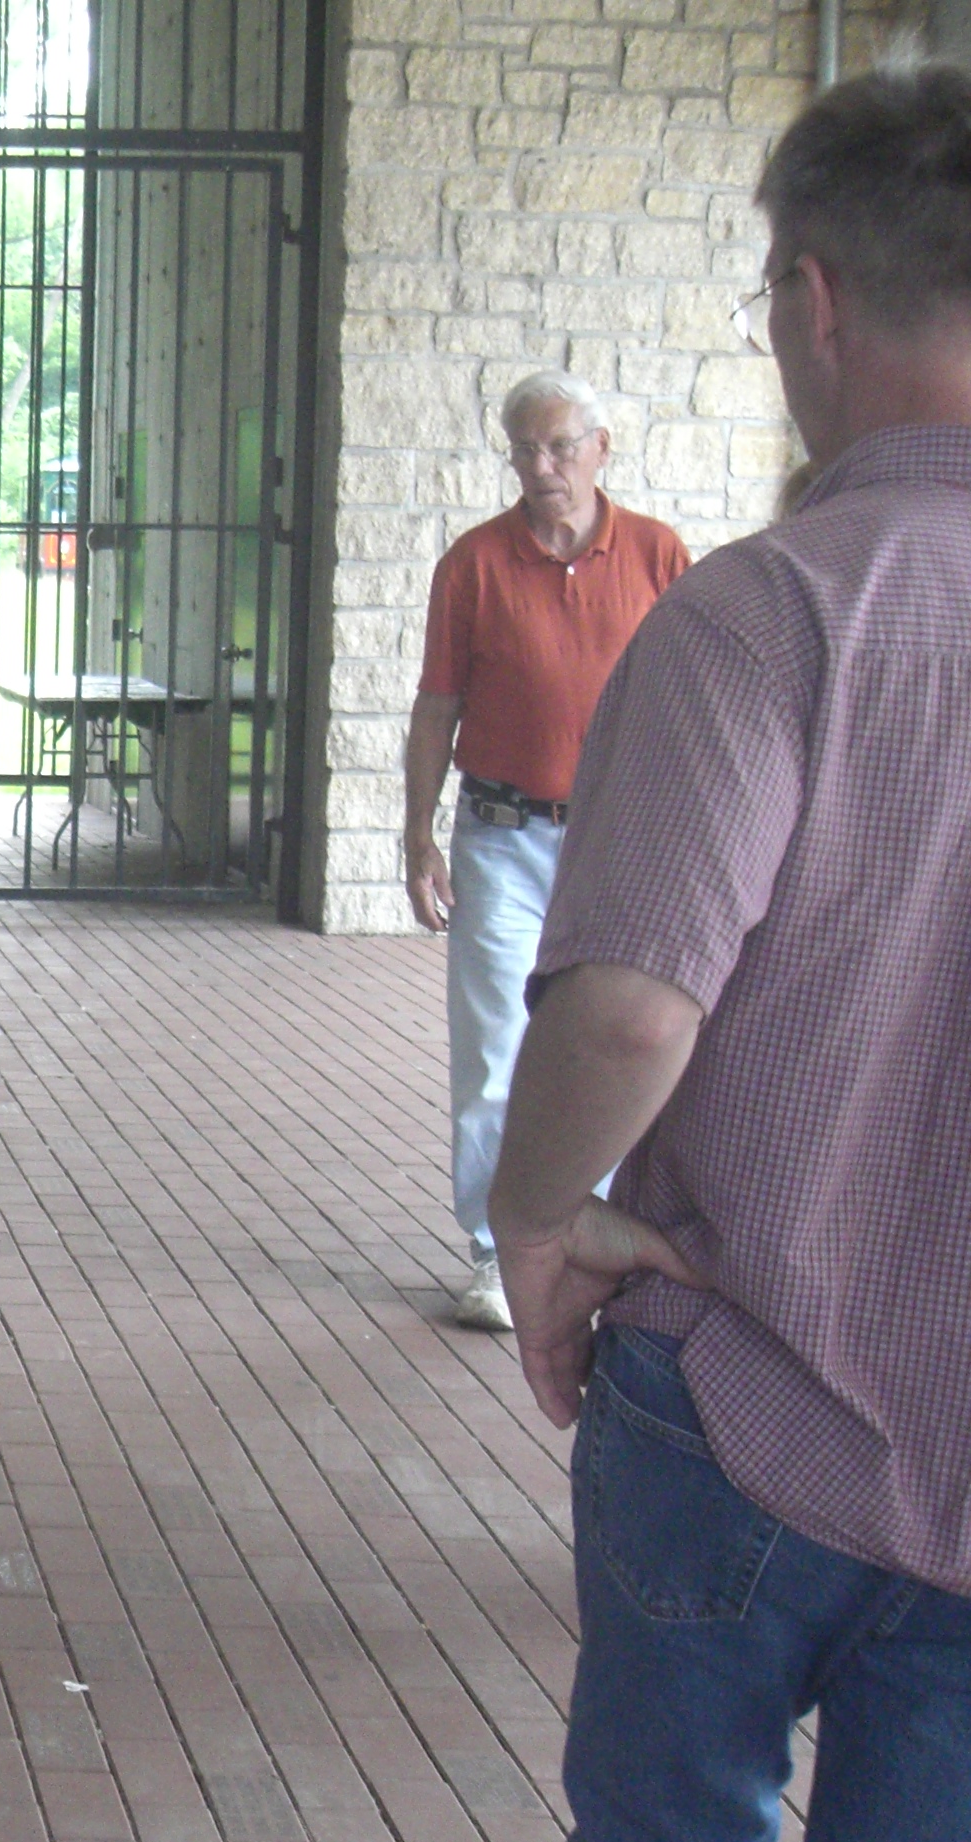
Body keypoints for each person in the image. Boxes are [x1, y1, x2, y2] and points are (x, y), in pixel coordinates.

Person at [489, 62, 971, 1842]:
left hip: (735, 1399)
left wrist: (534, 1220)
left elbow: (625, 1009)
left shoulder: (768, 611)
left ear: (813, 299)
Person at [403, 373, 689, 1331]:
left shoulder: (657, 555)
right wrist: (417, 835)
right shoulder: (474, 564)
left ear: (602, 446)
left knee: (609, 1041)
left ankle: (584, 1234)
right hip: (501, 836)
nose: (541, 465)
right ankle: (496, 1251)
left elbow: (692, 701)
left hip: (616, 838)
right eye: (523, 448)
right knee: (495, 1048)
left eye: (560, 445)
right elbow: (437, 707)